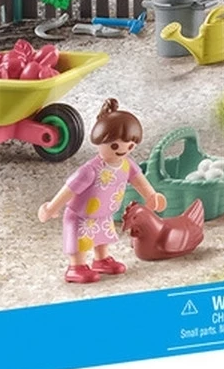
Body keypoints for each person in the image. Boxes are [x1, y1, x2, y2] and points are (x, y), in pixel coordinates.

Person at [38, 99, 166, 284]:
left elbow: (139, 180)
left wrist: (151, 195)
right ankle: (76, 266)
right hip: (81, 215)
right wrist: (52, 207)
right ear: (99, 140)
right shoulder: (90, 170)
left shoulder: (127, 164)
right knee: (81, 241)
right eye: (115, 145)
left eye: (130, 146)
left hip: (103, 213)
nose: (123, 150)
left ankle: (101, 260)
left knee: (102, 236)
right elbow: (69, 190)